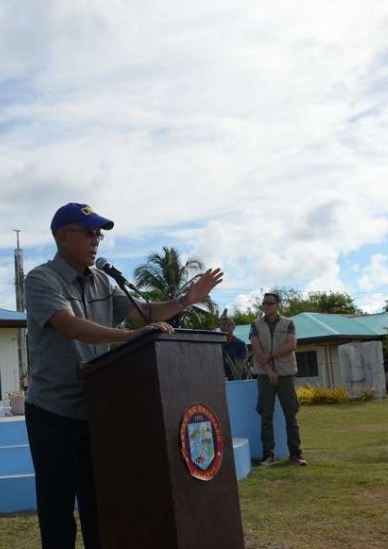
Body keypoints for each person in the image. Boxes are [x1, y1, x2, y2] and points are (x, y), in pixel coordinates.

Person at [25, 202, 223, 549]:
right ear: (61, 236)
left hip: (98, 411)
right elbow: (69, 325)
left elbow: (142, 312)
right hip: (53, 413)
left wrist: (185, 300)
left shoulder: (103, 280)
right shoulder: (41, 279)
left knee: (99, 506)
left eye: (98, 234)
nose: (96, 240)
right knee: (57, 509)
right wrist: (128, 337)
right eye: (88, 233)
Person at [249, 292, 307, 466]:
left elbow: (292, 345)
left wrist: (272, 356)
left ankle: (296, 454)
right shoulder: (256, 324)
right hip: (264, 375)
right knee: (266, 416)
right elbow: (257, 349)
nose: (266, 306)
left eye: (269, 303)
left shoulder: (288, 323)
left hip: (286, 375)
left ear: (277, 305)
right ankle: (268, 455)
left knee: (291, 415)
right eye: (264, 303)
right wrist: (269, 371)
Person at [220, 316, 248, 380]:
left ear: (234, 327)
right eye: (223, 325)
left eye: (229, 325)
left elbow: (240, 367)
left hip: (237, 381)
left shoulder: (240, 344)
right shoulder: (218, 345)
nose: (225, 327)